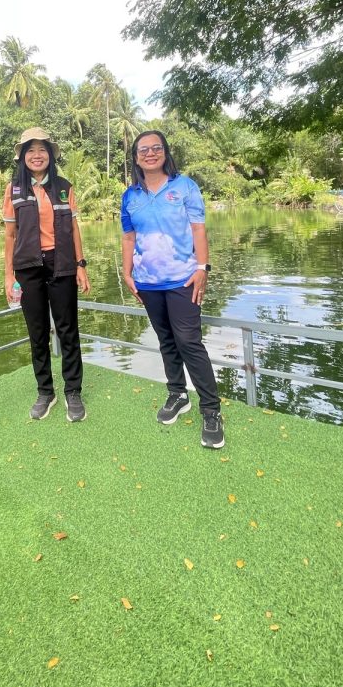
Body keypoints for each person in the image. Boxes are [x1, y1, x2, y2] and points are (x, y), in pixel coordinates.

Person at [121, 130, 224, 449]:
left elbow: (198, 230)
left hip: (183, 279)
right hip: (148, 282)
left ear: (165, 152)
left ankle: (211, 410)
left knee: (189, 341)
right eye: (143, 150)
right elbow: (128, 237)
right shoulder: (130, 196)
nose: (150, 153)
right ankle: (178, 394)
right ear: (136, 157)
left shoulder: (185, 187)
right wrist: (127, 272)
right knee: (166, 339)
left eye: (156, 148)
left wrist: (202, 268)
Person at [3, 127, 91, 422]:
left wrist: (81, 265)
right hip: (28, 267)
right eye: (31, 150)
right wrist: (8, 276)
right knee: (37, 332)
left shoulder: (64, 187)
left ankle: (73, 391)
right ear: (23, 157)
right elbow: (9, 235)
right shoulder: (13, 189)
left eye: (42, 150)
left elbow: (74, 228)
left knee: (68, 330)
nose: (37, 155)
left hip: (62, 263)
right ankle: (45, 391)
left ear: (51, 156)